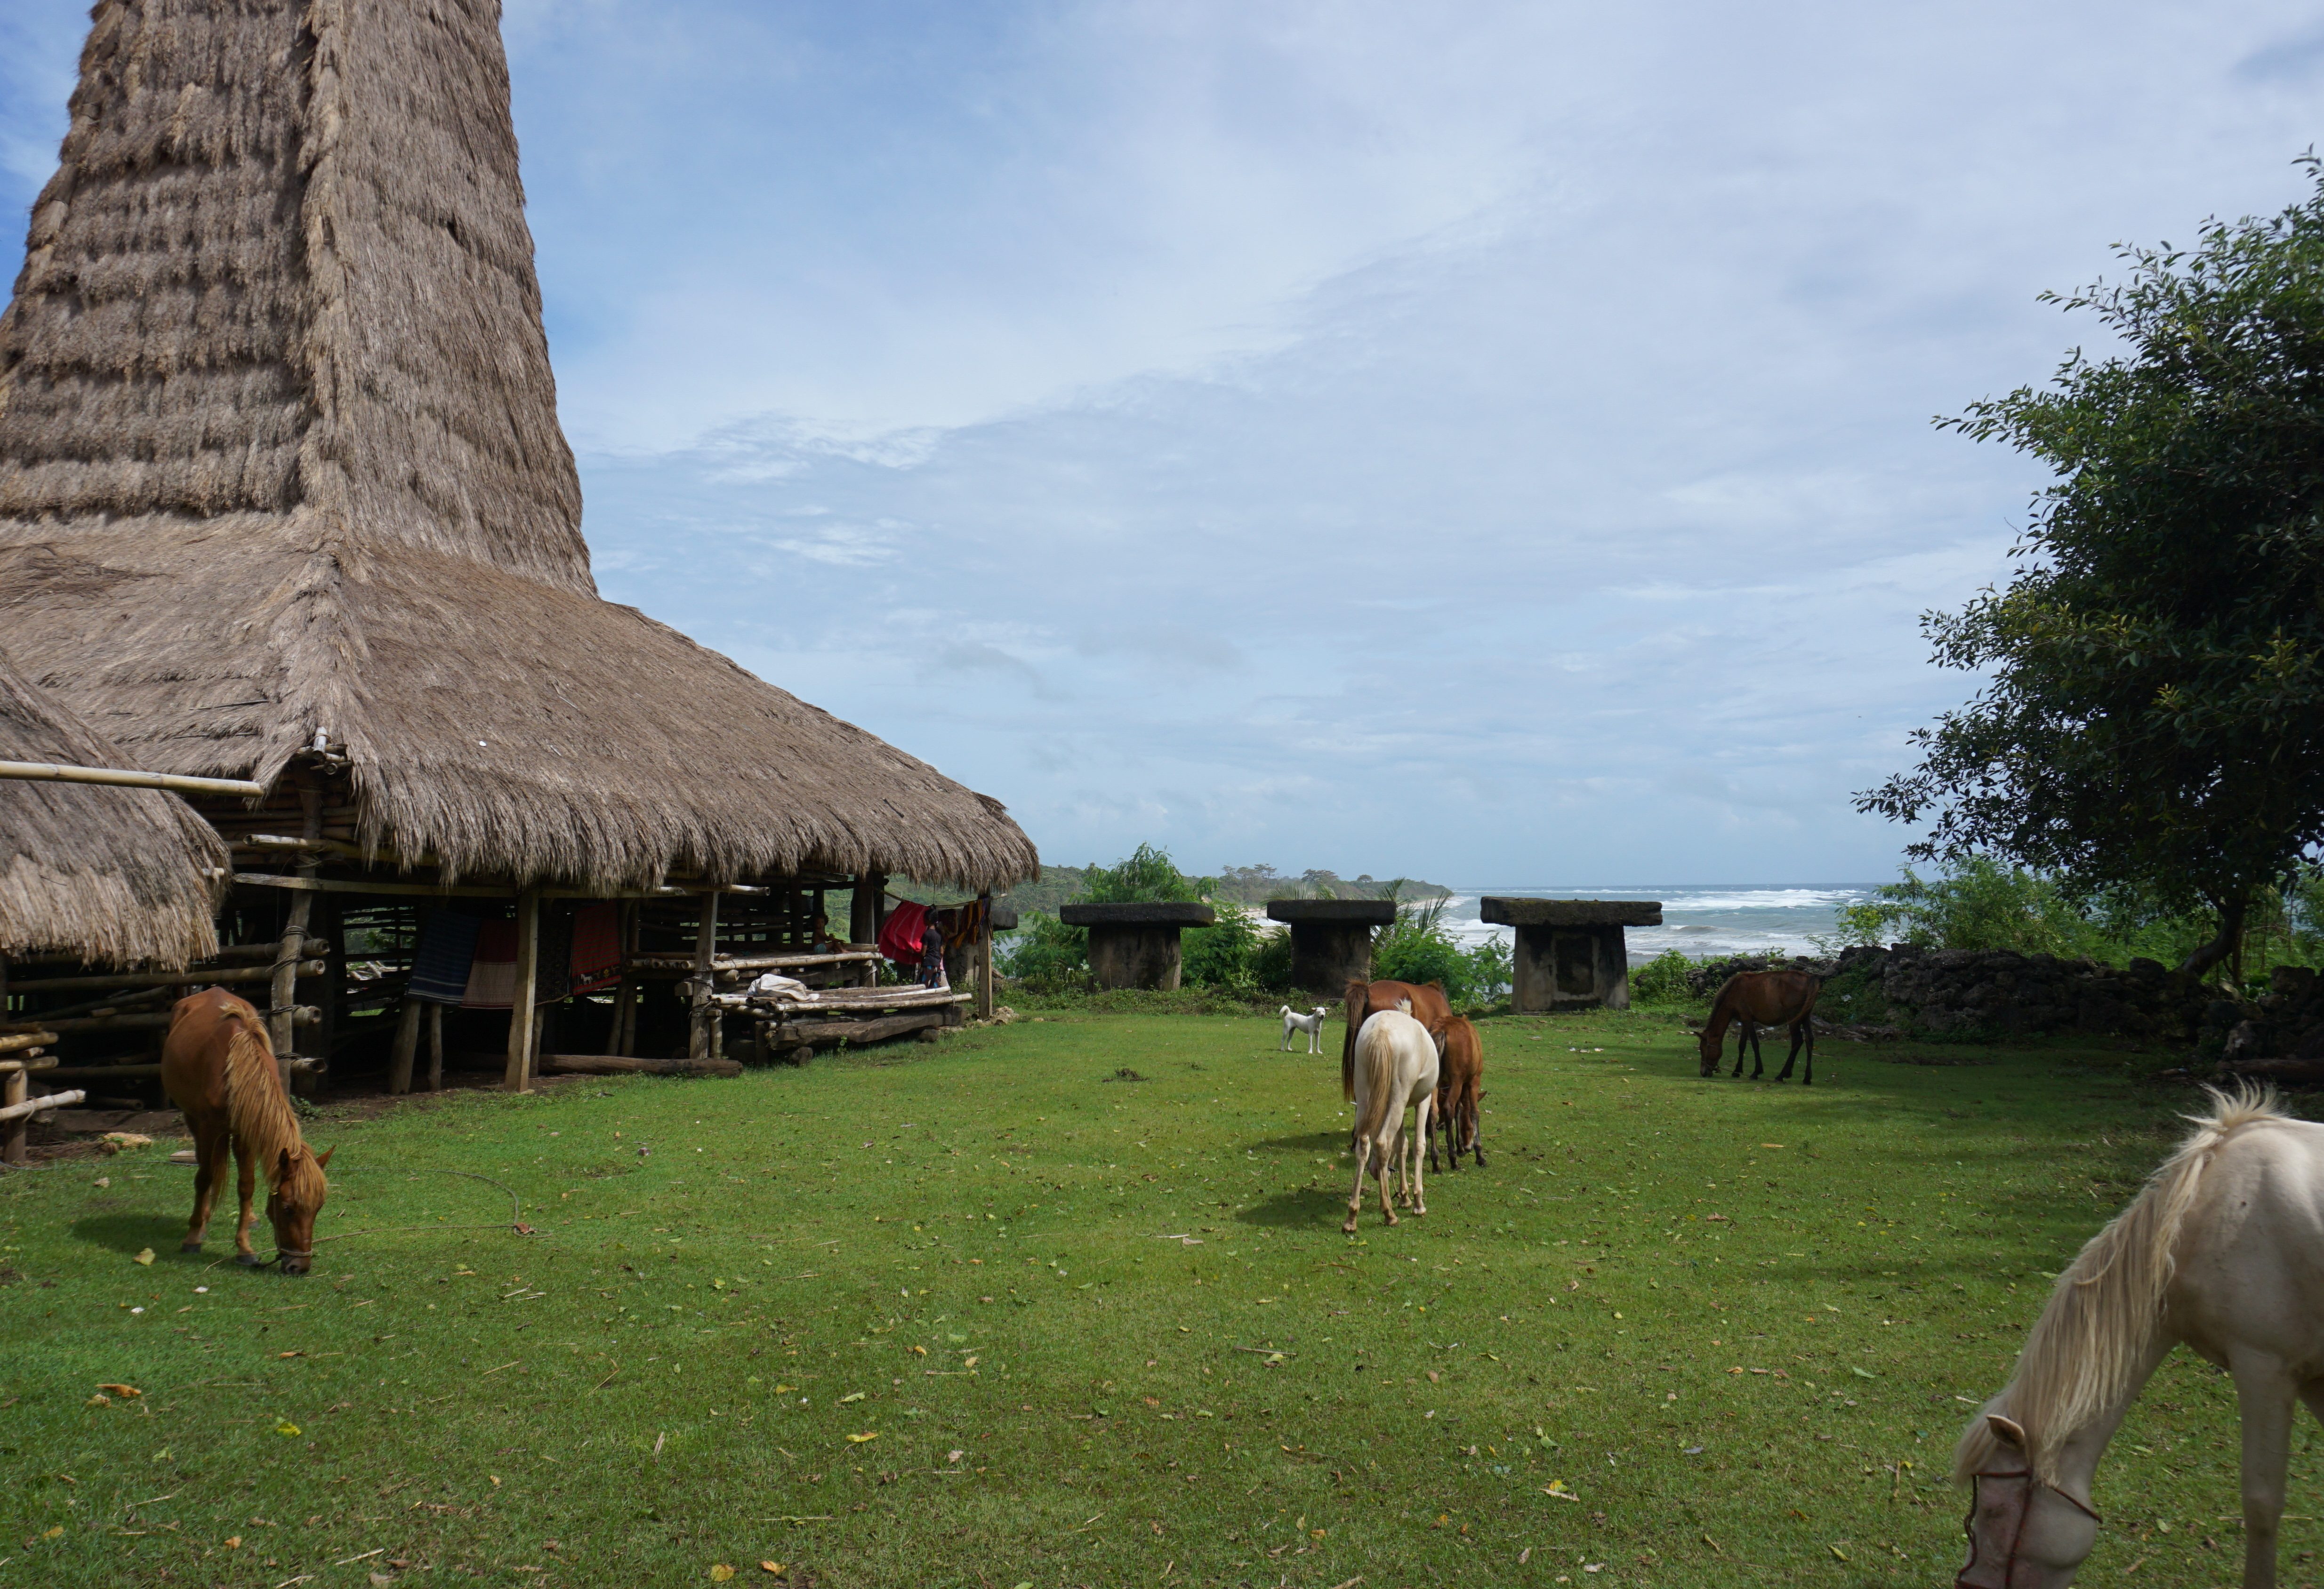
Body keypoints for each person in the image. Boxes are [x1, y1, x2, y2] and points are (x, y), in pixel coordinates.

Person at [920, 911, 948, 988]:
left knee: (924, 986)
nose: (923, 920)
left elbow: (923, 953)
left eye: (924, 919)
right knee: (934, 987)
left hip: (928, 964)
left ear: (928, 920)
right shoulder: (939, 935)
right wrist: (938, 961)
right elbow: (942, 952)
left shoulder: (926, 934)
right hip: (937, 965)